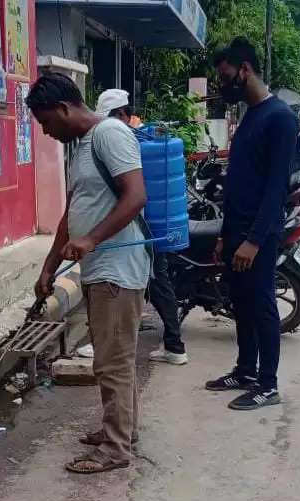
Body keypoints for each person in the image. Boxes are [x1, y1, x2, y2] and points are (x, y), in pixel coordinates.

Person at [26, 74, 150, 473]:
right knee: (114, 359)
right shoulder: (80, 147)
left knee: (113, 363)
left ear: (64, 109)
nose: (46, 132)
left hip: (117, 269)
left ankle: (116, 448)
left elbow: (136, 195)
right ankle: (122, 431)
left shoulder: (110, 134)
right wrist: (48, 268)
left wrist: (92, 239)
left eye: (47, 123)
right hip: (99, 269)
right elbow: (70, 213)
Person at [205, 37, 298, 411]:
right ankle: (245, 370)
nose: (223, 85)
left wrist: (254, 241)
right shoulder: (249, 116)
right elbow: (239, 181)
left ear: (245, 70)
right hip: (237, 230)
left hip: (259, 233)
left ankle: (268, 384)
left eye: (226, 77)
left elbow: (276, 189)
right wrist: (226, 235)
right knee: (240, 303)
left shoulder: (280, 118)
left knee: (261, 307)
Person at [95, 89, 188, 365]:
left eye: (112, 118)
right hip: (153, 226)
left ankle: (175, 346)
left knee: (158, 283)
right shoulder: (137, 137)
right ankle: (168, 343)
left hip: (145, 227)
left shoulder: (131, 141)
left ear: (123, 114)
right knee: (154, 283)